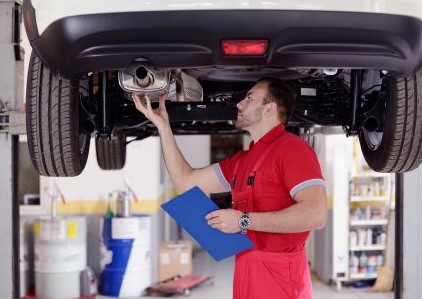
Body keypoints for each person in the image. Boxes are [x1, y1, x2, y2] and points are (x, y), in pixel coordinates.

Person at [132, 78, 327, 299]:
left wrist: (243, 220)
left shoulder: (292, 149)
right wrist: (164, 127)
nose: (239, 104)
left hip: (281, 278)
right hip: (246, 270)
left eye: (249, 98)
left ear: (269, 109)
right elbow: (185, 181)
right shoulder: (241, 161)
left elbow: (316, 214)